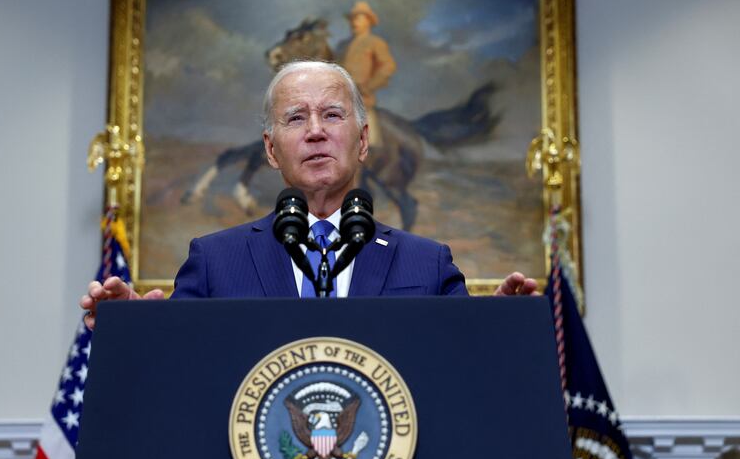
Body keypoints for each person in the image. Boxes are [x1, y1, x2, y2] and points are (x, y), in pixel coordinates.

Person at [80, 61, 537, 329]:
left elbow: (463, 364)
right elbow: (177, 368)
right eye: (296, 118)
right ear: (270, 149)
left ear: (363, 141)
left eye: (332, 115)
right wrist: (135, 327)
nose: (316, 131)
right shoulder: (215, 261)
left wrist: (498, 328)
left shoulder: (428, 264)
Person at [338, 1, 396, 147]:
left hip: (362, 99)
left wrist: (368, 86)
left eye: (358, 18)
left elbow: (388, 66)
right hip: (339, 98)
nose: (353, 22)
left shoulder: (375, 43)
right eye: (352, 19)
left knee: (369, 142)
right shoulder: (342, 46)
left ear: (368, 21)